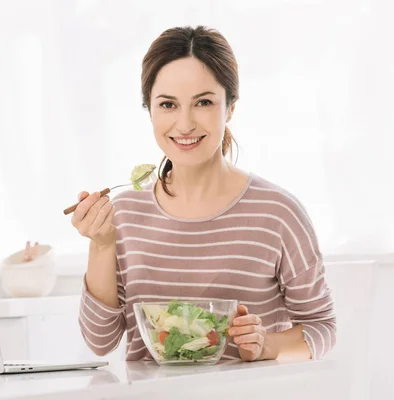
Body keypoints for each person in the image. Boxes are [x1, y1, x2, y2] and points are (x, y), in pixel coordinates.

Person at [70, 26, 336, 362]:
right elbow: (99, 341)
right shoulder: (122, 214)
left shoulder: (277, 212)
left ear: (230, 108)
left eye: (204, 102)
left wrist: (267, 344)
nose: (184, 125)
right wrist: (102, 243)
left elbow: (322, 325)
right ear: (149, 109)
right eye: (168, 104)